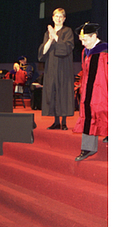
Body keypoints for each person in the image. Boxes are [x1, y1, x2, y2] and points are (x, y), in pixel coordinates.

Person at [73, 23, 108, 161]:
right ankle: (88, 148)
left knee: (105, 112)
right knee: (88, 116)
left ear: (94, 36)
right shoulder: (85, 52)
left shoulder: (106, 51)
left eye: (85, 40)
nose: (83, 43)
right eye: (81, 40)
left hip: (104, 90)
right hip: (89, 91)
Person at [38, 8, 74, 130]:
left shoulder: (67, 31)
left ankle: (64, 122)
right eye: (56, 16)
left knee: (63, 92)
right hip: (51, 67)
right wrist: (51, 38)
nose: (58, 19)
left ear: (64, 19)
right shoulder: (47, 34)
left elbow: (68, 48)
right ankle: (56, 121)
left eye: (61, 17)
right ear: (52, 17)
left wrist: (56, 37)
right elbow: (43, 52)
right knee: (52, 91)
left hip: (63, 67)